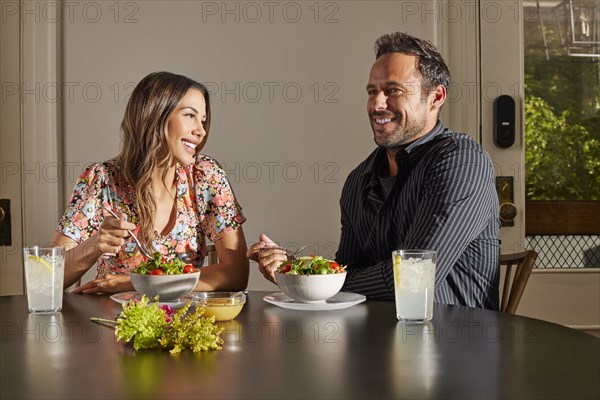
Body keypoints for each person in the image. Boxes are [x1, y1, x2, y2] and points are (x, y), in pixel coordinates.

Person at [247, 32, 500, 310]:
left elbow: (411, 280)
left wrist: (306, 278)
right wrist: (297, 274)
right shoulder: (359, 180)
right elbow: (349, 276)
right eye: (372, 91)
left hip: (456, 344)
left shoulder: (462, 163)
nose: (377, 104)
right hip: (373, 342)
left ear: (436, 97)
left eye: (393, 90)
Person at [51, 71, 249, 294]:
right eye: (189, 116)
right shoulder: (102, 180)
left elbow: (236, 273)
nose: (201, 131)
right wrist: (94, 246)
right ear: (155, 115)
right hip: (118, 322)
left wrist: (134, 282)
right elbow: (47, 277)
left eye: (203, 120)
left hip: (187, 323)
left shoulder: (206, 176)